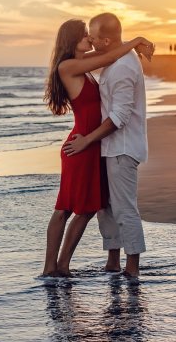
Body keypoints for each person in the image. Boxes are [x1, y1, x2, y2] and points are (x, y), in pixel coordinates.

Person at [42, 19, 154, 277]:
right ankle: (53, 268)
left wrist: (131, 44)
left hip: (92, 144)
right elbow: (110, 53)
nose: (89, 40)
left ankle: (62, 267)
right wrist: (136, 41)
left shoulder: (84, 63)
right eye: (84, 36)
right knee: (67, 208)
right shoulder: (70, 66)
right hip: (82, 145)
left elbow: (109, 50)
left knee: (87, 207)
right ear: (72, 41)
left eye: (90, 36)